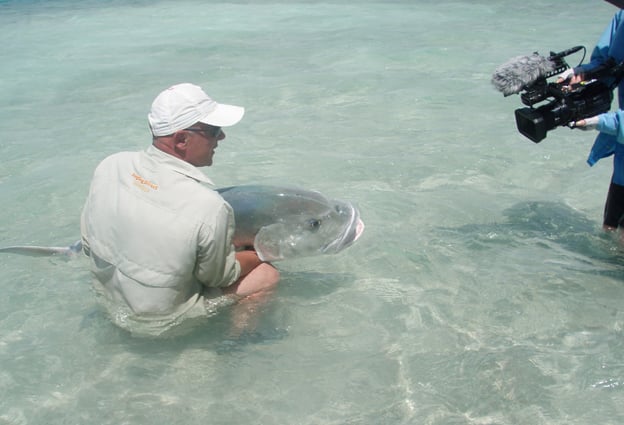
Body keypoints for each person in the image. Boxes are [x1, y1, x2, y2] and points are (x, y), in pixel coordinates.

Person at [80, 83, 280, 336]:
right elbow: (219, 278)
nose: (221, 138)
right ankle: (236, 341)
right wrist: (260, 252)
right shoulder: (208, 205)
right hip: (159, 323)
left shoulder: (110, 165)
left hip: (109, 302)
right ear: (182, 140)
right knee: (266, 275)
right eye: (214, 131)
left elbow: (87, 243)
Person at [562, 2, 624, 234]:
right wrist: (580, 74)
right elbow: (607, 63)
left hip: (620, 126)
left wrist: (598, 122)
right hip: (623, 152)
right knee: (609, 230)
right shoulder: (621, 19)